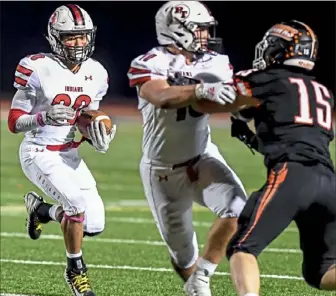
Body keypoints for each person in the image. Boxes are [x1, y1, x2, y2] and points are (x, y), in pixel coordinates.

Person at [127, 1, 247, 295]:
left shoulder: (216, 62)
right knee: (183, 254)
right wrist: (200, 89)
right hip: (162, 170)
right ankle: (195, 286)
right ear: (177, 30)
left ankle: (202, 277)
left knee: (238, 209)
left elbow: (234, 98)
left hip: (202, 156)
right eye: (200, 29)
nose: (206, 35)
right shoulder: (149, 62)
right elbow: (162, 96)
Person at [7, 4, 116, 296]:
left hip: (69, 154)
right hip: (39, 151)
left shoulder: (97, 72)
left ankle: (41, 210)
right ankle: (75, 271)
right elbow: (14, 123)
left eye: (82, 37)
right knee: (76, 205)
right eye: (71, 37)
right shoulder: (37, 67)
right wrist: (42, 117)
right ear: (56, 38)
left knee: (93, 224)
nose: (79, 43)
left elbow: (86, 119)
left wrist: (98, 133)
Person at [225, 20, 336, 296]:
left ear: (280, 48)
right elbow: (295, 135)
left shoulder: (267, 79)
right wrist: (253, 136)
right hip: (329, 182)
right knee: (321, 273)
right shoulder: (323, 92)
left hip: (293, 175)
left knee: (242, 248)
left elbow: (229, 97)